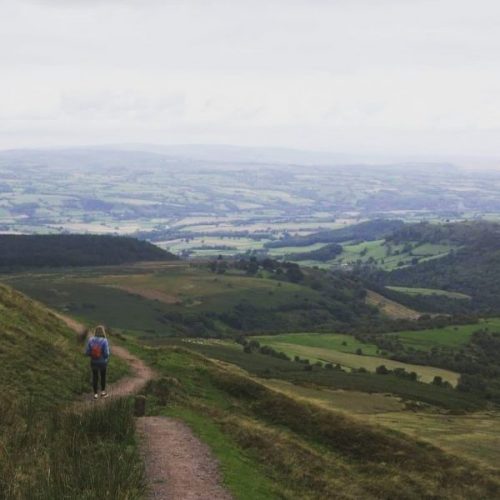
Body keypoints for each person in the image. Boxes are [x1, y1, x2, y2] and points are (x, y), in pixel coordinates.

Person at [85, 325, 110, 400]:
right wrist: (105, 358)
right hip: (102, 362)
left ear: (95, 332)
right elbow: (106, 353)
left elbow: (87, 352)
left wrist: (92, 355)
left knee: (95, 377)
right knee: (103, 377)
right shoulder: (104, 340)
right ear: (103, 332)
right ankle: (103, 392)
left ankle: (95, 394)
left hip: (94, 361)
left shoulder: (91, 340)